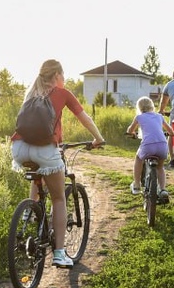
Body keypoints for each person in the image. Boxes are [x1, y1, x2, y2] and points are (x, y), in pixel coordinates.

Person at [10, 59, 106, 268]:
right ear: (56, 76)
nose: (64, 78)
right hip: (45, 149)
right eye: (63, 75)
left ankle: (30, 211)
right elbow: (85, 119)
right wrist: (98, 139)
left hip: (18, 148)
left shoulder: (31, 92)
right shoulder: (63, 94)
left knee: (40, 172)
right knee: (59, 198)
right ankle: (60, 254)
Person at [125, 96, 173, 203]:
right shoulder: (159, 116)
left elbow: (130, 130)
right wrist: (172, 134)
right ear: (152, 106)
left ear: (139, 108)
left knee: (138, 158)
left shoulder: (139, 117)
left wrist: (132, 134)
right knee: (160, 167)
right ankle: (163, 190)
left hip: (148, 146)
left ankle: (137, 185)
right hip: (162, 145)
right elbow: (170, 131)